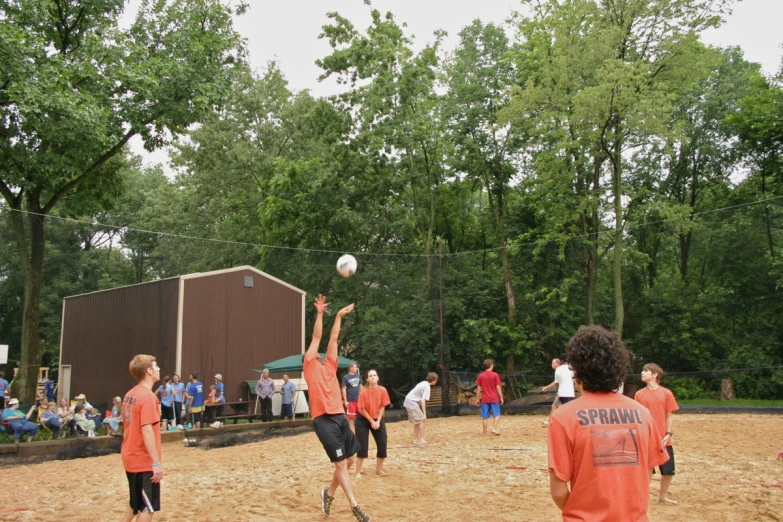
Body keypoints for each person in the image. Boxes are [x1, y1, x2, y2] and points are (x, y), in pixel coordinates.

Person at [547, 325, 670, 521]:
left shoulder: (563, 417)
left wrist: (584, 512)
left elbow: (559, 491)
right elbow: (646, 474)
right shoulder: (642, 413)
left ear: (576, 371)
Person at [302, 295, 370, 522]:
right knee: (341, 463)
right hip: (323, 420)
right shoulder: (310, 365)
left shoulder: (330, 365)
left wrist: (339, 315)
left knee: (349, 460)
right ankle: (354, 505)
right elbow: (318, 336)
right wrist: (320, 313)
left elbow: (333, 337)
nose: (319, 353)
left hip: (339, 417)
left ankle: (328, 493)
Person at [120, 354, 164, 522]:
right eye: (156, 365)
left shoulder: (130, 394)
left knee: (134, 502)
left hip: (130, 455)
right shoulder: (148, 397)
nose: (159, 368)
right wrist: (156, 463)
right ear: (149, 371)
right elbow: (147, 431)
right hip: (142, 460)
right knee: (147, 507)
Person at [635, 363, 680, 506]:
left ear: (655, 375)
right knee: (647, 469)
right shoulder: (639, 394)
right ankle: (643, 498)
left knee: (668, 471)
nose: (642, 373)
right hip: (647, 438)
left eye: (645, 371)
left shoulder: (666, 393)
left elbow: (669, 414)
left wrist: (668, 433)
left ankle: (662, 497)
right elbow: (638, 417)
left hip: (664, 438)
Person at [355, 369, 390, 478]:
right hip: (363, 419)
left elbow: (382, 406)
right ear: (367, 379)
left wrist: (378, 421)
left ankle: (378, 469)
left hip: (377, 418)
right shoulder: (363, 392)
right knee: (362, 446)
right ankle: (357, 472)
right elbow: (362, 409)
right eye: (370, 376)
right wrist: (371, 421)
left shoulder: (382, 390)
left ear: (378, 378)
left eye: (375, 375)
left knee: (382, 443)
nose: (373, 377)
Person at [403, 372, 438, 445]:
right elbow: (423, 400)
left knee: (418, 421)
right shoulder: (427, 387)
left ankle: (415, 440)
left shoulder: (423, 383)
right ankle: (421, 439)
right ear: (434, 380)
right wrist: (424, 414)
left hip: (408, 401)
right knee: (422, 420)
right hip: (411, 402)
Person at [475, 359, 504, 436]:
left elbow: (478, 388)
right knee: (497, 414)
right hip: (494, 398)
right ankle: (494, 428)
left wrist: (477, 398)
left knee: (485, 417)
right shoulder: (495, 375)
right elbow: (498, 387)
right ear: (491, 365)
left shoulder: (481, 376)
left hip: (485, 399)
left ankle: (485, 433)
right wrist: (501, 397)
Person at [341, 363, 363, 433]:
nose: (356, 369)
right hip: (350, 399)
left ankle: (359, 431)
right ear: (350, 368)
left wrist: (363, 396)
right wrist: (345, 400)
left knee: (360, 416)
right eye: (355, 367)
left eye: (356, 367)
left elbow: (361, 386)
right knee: (351, 417)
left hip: (359, 399)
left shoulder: (358, 376)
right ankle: (352, 432)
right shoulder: (346, 377)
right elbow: (344, 389)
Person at [541, 358, 562, 425]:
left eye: (553, 363)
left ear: (557, 364)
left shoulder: (558, 370)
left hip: (562, 392)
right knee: (560, 407)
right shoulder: (561, 370)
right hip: (562, 392)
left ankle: (550, 421)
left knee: (554, 406)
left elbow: (555, 382)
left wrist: (546, 387)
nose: (552, 364)